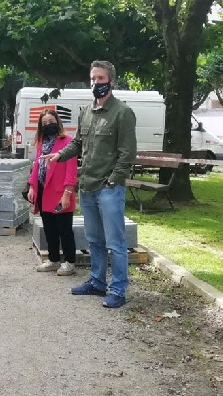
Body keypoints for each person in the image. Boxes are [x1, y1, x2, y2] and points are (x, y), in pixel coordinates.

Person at [43, 60, 137, 308]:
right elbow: (77, 144)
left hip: (108, 188)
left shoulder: (122, 113)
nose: (96, 83)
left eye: (101, 79)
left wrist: (113, 180)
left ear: (112, 82)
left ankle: (118, 290)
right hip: (88, 186)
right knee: (94, 238)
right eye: (93, 79)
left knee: (115, 242)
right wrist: (59, 155)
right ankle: (97, 282)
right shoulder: (86, 112)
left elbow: (127, 154)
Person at [27, 109, 78, 276]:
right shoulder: (42, 144)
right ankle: (53, 259)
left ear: (58, 122)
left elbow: (71, 170)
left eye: (51, 121)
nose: (48, 125)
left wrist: (67, 193)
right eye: (44, 123)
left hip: (61, 191)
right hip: (44, 191)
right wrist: (33, 186)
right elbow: (36, 166)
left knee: (64, 229)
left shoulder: (68, 142)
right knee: (49, 228)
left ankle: (70, 262)